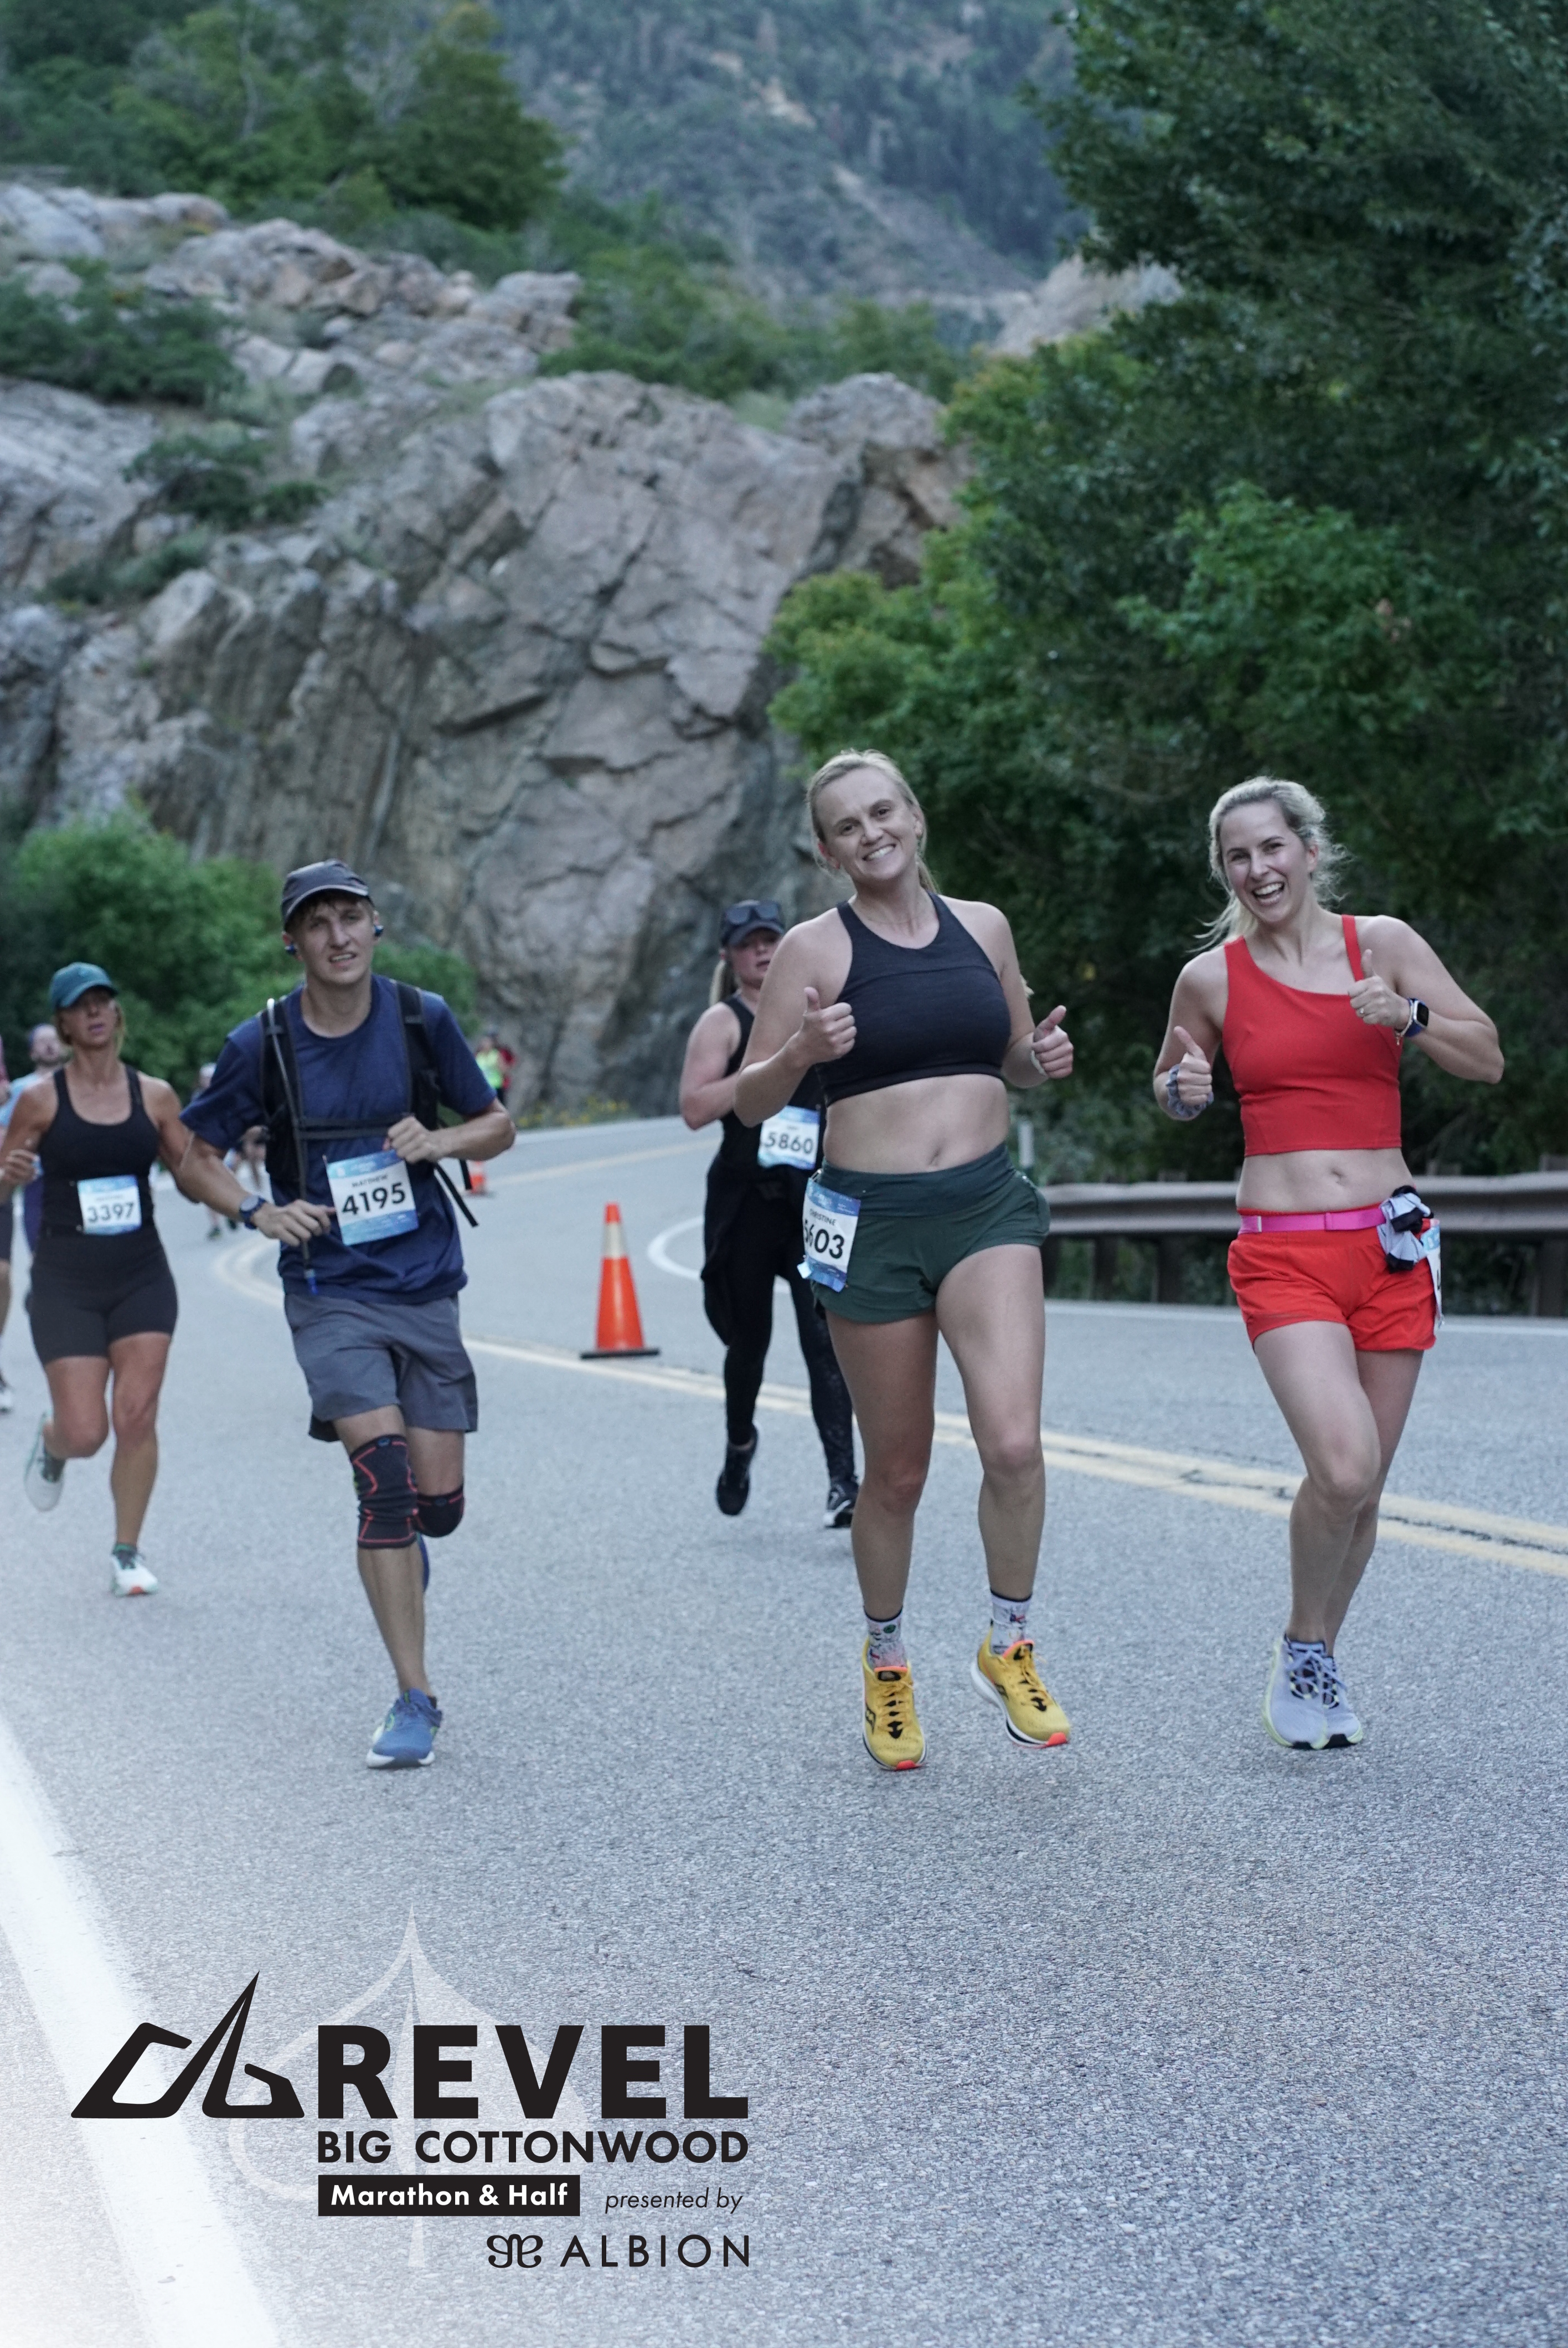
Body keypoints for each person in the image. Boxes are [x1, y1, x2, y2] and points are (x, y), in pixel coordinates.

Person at [734, 751, 1075, 1770]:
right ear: (827, 851)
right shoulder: (813, 949)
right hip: (871, 1221)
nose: (870, 832)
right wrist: (800, 1053)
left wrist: (1040, 1061)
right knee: (895, 1470)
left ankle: (1009, 1643)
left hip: (983, 1208)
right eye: (847, 825)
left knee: (1012, 1444)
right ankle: (886, 1660)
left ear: (915, 817)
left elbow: (1012, 1056)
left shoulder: (985, 928)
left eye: (883, 811)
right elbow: (749, 1101)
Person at [1153, 776, 1503, 1750]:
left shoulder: (1380, 946)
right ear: (1224, 871)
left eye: (1272, 847)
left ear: (1310, 850)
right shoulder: (1210, 980)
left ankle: (1311, 1653)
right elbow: (1174, 1087)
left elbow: (1486, 1056)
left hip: (1390, 1247)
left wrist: (1408, 1017)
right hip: (1284, 1254)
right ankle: (1305, 1647)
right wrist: (1182, 1091)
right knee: (1342, 1467)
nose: (1258, 869)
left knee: (1366, 1488)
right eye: (1238, 856)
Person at [177, 860, 515, 1769]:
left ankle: (406, 1544)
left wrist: (439, 1138)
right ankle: (415, 1697)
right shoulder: (264, 1043)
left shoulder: (419, 1018)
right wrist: (256, 1211)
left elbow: (496, 1124)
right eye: (317, 923)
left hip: (425, 1281)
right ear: (293, 940)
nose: (338, 937)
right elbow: (194, 1155)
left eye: (351, 918)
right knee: (385, 1486)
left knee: (437, 1507)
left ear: (374, 926)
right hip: (329, 1290)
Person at [1, 969, 189, 1595]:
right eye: (81, 1006)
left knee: (136, 1415)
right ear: (63, 1023)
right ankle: (53, 1441)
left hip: (141, 1275)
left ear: (117, 1012)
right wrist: (9, 1177)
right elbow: (1, 1181)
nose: (95, 1012)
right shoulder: (40, 1100)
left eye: (104, 1001)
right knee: (87, 1432)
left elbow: (193, 1168)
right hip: (66, 1281)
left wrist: (251, 1207)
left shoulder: (155, 1095)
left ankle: (126, 1552)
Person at [679, 897, 859, 1529]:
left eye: (770, 940)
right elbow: (694, 1108)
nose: (761, 950)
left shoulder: (818, 1010)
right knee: (748, 1342)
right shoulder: (723, 1022)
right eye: (747, 943)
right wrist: (781, 1064)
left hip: (812, 1204)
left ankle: (843, 1482)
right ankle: (739, 1445)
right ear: (728, 956)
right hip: (747, 1205)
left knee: (825, 1339)